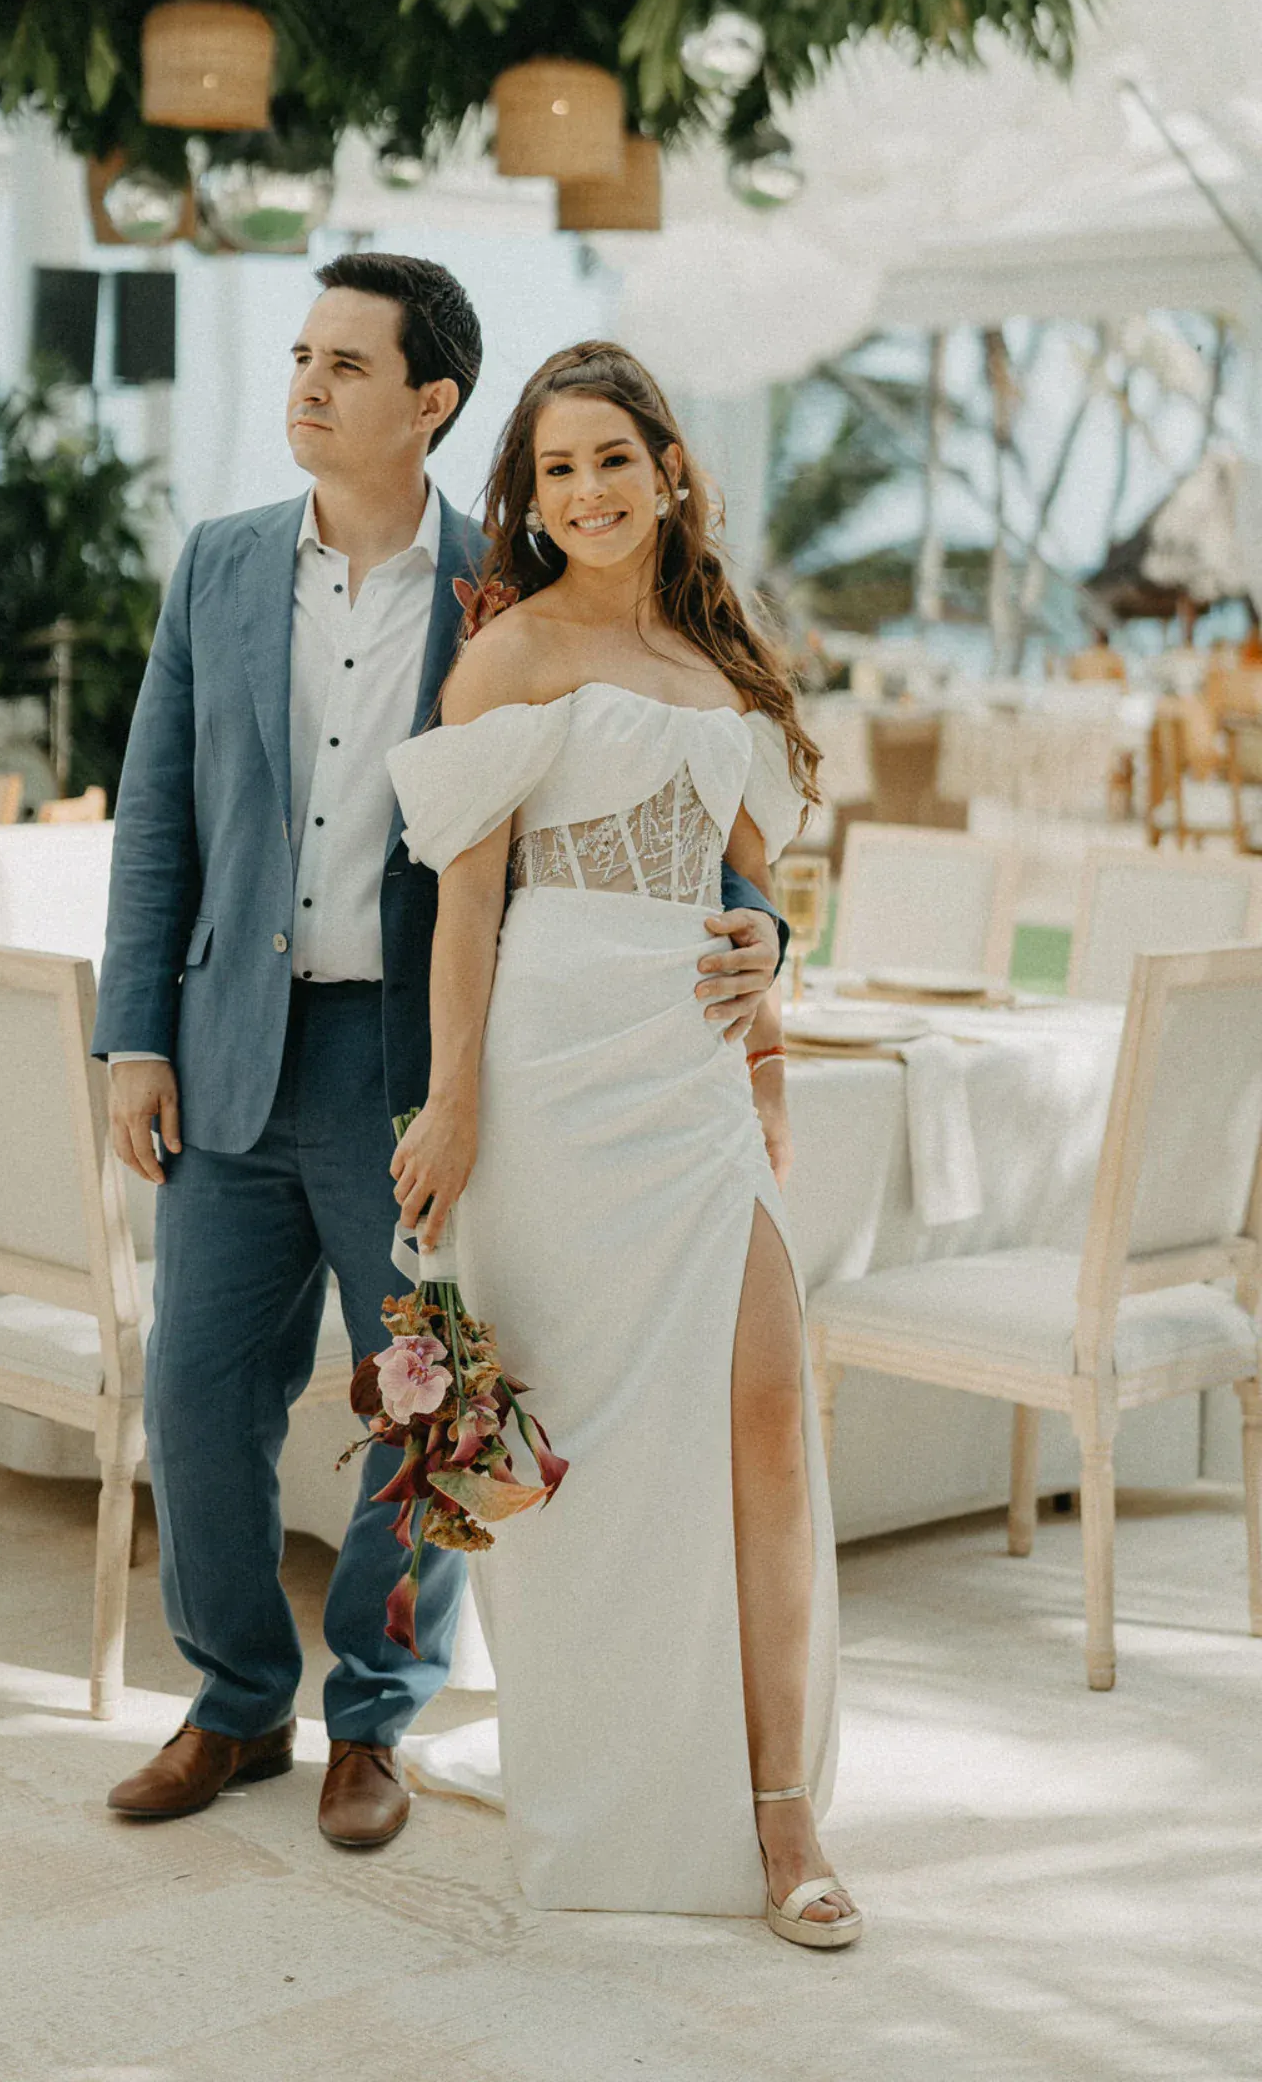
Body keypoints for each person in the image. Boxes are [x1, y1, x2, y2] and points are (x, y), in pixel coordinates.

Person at [91, 257, 786, 1847]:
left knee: (432, 1401)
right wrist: (135, 1034)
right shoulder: (216, 567)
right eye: (300, 356)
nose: (308, 384)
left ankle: (375, 1722)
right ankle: (233, 1703)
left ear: (432, 402)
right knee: (197, 1396)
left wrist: (770, 935)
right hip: (224, 1057)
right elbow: (159, 820)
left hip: (414, 1070)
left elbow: (670, 779)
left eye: (347, 362)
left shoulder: (505, 591)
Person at [386, 341, 860, 1946]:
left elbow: (760, 886)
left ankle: (782, 1808)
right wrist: (452, 1104)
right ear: (530, 494)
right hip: (547, 1086)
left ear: (669, 470)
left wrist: (771, 956)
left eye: (611, 459)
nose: (583, 492)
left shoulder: (721, 667)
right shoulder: (505, 660)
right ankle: (603, 1780)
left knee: (768, 1421)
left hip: (695, 1082)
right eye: (555, 469)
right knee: (579, 1465)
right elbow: (462, 913)